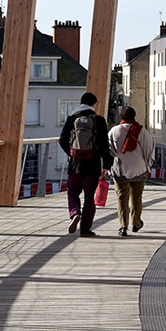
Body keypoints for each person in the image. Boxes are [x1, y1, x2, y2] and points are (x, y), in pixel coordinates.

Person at [60, 91, 112, 237]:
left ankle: (75, 212)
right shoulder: (98, 120)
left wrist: (72, 153)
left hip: (75, 163)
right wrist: (106, 165)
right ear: (94, 104)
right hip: (92, 163)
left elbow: (62, 139)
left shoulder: (72, 118)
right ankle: (85, 229)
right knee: (89, 196)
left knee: (72, 191)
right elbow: (104, 144)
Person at [108, 106, 154, 236]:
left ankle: (123, 226)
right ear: (134, 115)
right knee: (137, 197)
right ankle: (136, 223)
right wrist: (147, 165)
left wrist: (109, 168)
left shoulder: (113, 131)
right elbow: (149, 149)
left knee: (122, 197)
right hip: (139, 168)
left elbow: (109, 151)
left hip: (121, 169)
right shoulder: (142, 131)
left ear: (120, 116)